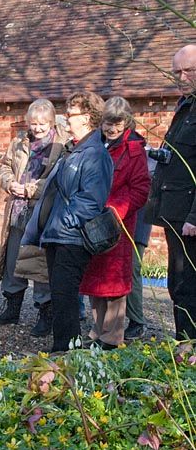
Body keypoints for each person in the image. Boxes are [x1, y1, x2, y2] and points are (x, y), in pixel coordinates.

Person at [22, 92, 111, 351]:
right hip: (58, 234)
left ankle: (66, 350)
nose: (65, 119)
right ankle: (64, 347)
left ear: (86, 118)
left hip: (71, 237)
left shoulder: (94, 153)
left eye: (70, 115)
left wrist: (65, 221)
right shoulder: (75, 149)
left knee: (65, 297)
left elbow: (92, 200)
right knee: (60, 296)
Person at [0, 99, 67, 335]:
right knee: (13, 260)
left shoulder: (61, 145)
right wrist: (9, 182)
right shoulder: (19, 142)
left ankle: (45, 314)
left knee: (40, 263)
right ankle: (12, 307)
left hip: (42, 211)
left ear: (52, 122)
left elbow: (58, 178)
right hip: (17, 211)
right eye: (34, 123)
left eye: (43, 124)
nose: (38, 128)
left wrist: (33, 189)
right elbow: (4, 167)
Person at [80, 97, 150, 349]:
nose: (111, 128)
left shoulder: (134, 150)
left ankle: (111, 336)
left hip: (117, 224)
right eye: (108, 122)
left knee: (113, 282)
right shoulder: (93, 143)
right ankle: (97, 329)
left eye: (117, 124)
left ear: (127, 123)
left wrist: (115, 210)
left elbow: (141, 189)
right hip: (90, 219)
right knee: (92, 278)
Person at [146, 44, 196, 340]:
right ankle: (184, 345)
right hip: (173, 212)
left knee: (188, 284)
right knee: (177, 283)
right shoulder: (185, 106)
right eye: (176, 71)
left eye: (188, 70)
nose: (181, 76)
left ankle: (189, 349)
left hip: (189, 216)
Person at [124, 149, 157, 340]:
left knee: (131, 270)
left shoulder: (144, 155)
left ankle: (136, 321)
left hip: (137, 221)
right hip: (117, 220)